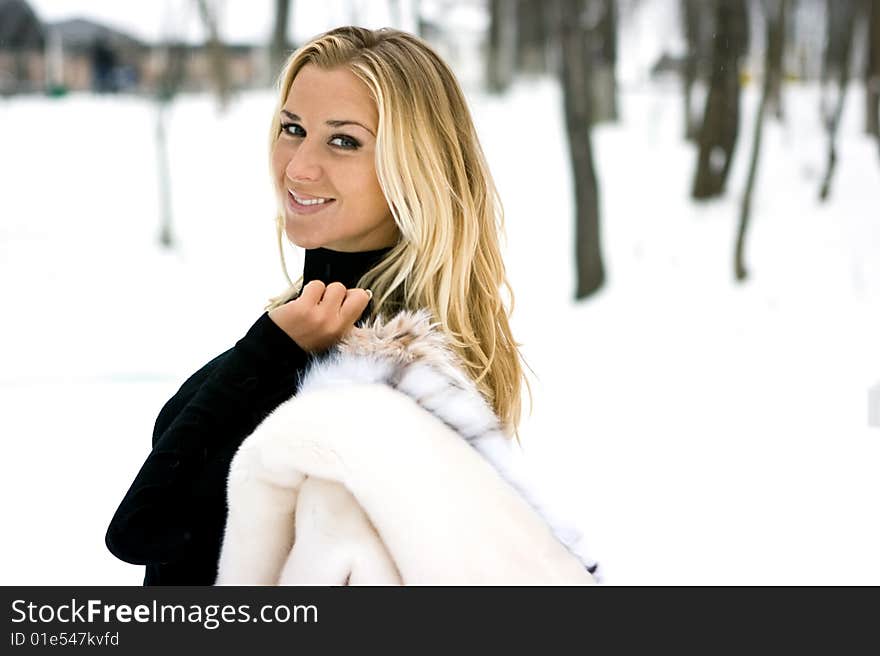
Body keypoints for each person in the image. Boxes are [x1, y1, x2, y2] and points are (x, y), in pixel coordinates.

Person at [105, 26, 533, 585]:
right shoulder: (315, 327)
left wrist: (266, 353)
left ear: (417, 166)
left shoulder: (383, 374)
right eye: (292, 128)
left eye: (343, 140)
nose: (298, 166)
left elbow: (143, 528)